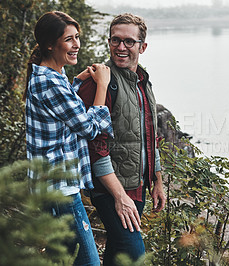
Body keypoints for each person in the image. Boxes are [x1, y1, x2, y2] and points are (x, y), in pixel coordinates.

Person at [24, 11, 113, 266]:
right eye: (69, 39)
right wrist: (103, 86)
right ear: (50, 44)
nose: (76, 45)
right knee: (88, 262)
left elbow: (59, 110)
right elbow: (89, 128)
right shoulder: (50, 82)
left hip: (49, 185)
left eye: (77, 38)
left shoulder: (49, 75)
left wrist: (77, 82)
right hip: (60, 188)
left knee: (61, 259)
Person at [78, 13, 166, 264]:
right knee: (135, 256)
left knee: (118, 255)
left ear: (142, 46)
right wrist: (119, 196)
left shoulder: (142, 82)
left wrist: (156, 180)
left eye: (128, 42)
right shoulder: (100, 83)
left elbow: (150, 136)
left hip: (136, 187)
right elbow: (94, 147)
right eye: (115, 40)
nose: (120, 47)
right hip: (110, 188)